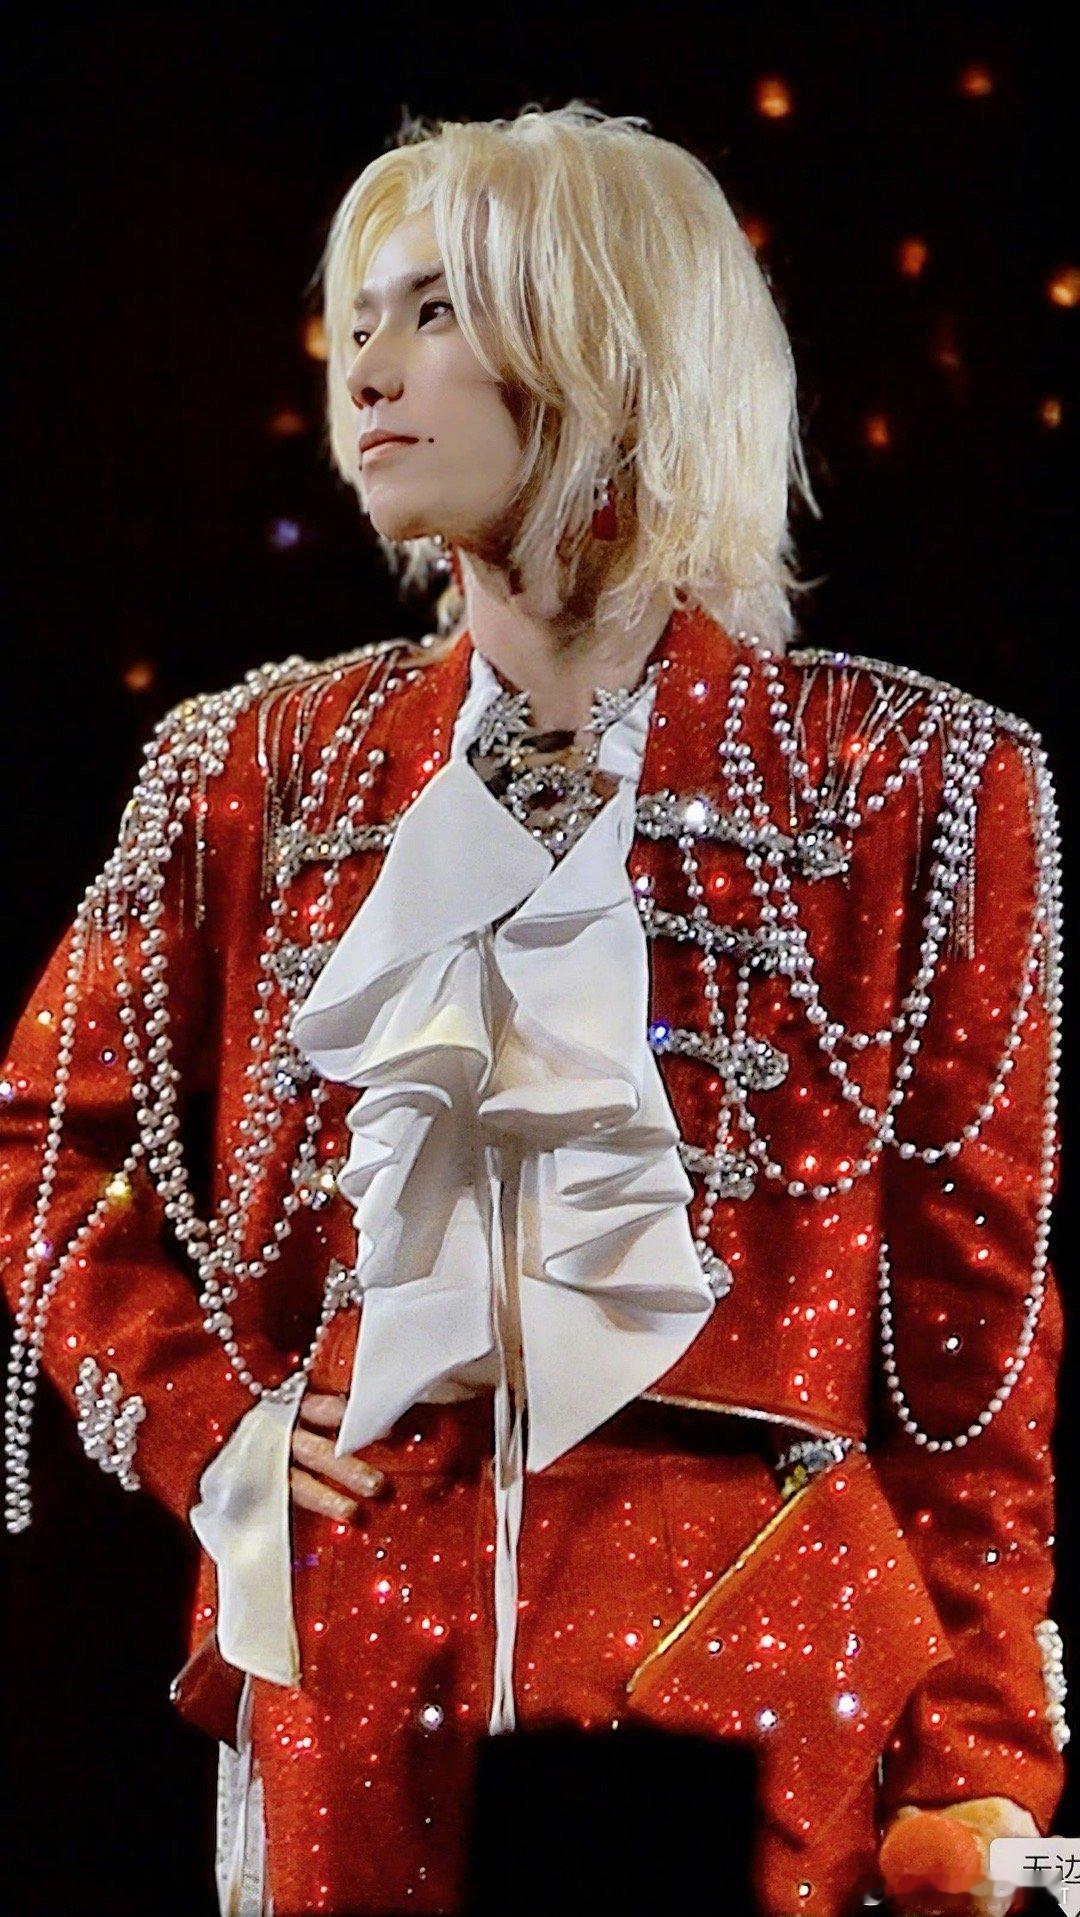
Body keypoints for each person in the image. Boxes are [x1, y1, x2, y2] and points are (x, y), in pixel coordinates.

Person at [1, 101, 1068, 1917]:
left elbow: (980, 1354)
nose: (367, 365)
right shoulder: (256, 768)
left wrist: (979, 1765)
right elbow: (46, 1144)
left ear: (611, 350)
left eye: (438, 310)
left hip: (763, 1671)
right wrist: (200, 1417)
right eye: (359, 315)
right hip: (358, 1662)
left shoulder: (914, 786)